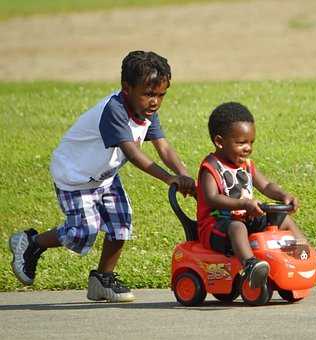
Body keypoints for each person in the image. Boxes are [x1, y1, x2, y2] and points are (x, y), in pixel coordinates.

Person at [9, 51, 195, 302]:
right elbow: (133, 153)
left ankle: (102, 280)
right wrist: (168, 178)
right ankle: (32, 243)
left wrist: (184, 175)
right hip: (75, 176)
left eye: (161, 95)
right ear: (126, 88)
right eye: (149, 94)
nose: (155, 102)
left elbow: (163, 146)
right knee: (82, 232)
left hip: (104, 176)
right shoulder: (115, 110)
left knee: (121, 224)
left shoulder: (147, 112)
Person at [197, 102, 316, 288]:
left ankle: (307, 256)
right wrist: (244, 204)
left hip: (245, 218)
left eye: (251, 142)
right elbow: (212, 198)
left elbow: (267, 185)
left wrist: (284, 196)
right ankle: (250, 266)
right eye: (241, 143)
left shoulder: (246, 164)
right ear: (220, 142)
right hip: (216, 227)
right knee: (237, 227)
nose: (248, 148)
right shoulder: (210, 167)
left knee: (282, 220)